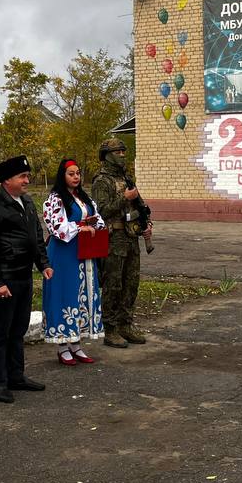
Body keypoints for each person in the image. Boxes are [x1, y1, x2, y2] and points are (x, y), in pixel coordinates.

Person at [0, 155, 53, 403]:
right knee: (1, 332)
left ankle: (16, 376)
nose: (27, 180)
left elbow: (36, 236)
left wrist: (43, 264)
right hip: (6, 278)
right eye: (23, 176)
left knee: (18, 329)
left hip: (24, 276)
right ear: (6, 180)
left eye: (28, 176)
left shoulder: (27, 203)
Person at [41, 158, 106, 364]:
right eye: (71, 173)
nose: (76, 177)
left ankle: (76, 344)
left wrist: (94, 226)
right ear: (63, 175)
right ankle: (62, 346)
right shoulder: (55, 199)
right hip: (63, 254)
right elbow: (56, 227)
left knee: (83, 295)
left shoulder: (84, 198)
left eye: (78, 173)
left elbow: (99, 219)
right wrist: (80, 226)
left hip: (85, 252)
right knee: (65, 293)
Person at [92, 138, 151, 349]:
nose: (122, 155)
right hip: (113, 239)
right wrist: (125, 198)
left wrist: (146, 222)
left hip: (131, 236)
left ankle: (126, 324)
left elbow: (140, 205)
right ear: (107, 155)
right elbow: (101, 210)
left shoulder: (126, 178)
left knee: (131, 283)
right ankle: (111, 328)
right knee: (113, 285)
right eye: (118, 152)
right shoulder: (102, 180)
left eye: (124, 152)